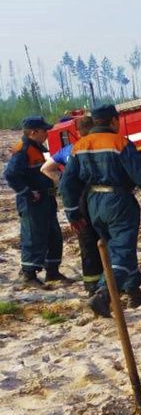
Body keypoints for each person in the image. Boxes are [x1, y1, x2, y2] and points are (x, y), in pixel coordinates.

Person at [60, 104, 141, 318]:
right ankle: (104, 295)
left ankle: (133, 292)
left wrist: (72, 212)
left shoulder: (79, 146)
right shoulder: (120, 143)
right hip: (119, 201)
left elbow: (66, 184)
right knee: (122, 250)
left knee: (117, 248)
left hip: (94, 204)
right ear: (113, 121)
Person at [40, 116, 102, 296]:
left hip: (75, 201)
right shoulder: (94, 147)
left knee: (86, 243)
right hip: (96, 197)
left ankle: (91, 285)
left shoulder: (67, 150)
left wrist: (61, 181)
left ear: (77, 132)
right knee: (105, 239)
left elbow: (45, 168)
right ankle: (110, 280)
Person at [4, 116, 68, 287]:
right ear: (33, 132)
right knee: (33, 237)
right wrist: (27, 192)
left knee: (53, 236)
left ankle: (52, 272)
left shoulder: (36, 148)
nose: (47, 134)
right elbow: (10, 174)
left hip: (46, 201)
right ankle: (28, 275)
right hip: (32, 203)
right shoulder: (23, 150)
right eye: (44, 131)